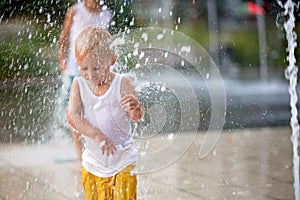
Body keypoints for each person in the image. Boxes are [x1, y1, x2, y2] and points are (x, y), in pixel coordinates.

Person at [67, 27, 144, 199]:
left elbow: (136, 117)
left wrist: (136, 108)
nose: (91, 74)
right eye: (84, 67)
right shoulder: (79, 85)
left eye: (97, 68)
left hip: (123, 161)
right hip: (93, 164)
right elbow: (72, 117)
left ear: (112, 61)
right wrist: (97, 135)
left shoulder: (122, 83)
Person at [58, 0, 112, 161]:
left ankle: (97, 147)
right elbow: (65, 36)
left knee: (98, 107)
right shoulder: (75, 11)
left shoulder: (106, 14)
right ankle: (79, 153)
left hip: (98, 70)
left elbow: (107, 42)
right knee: (76, 109)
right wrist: (62, 59)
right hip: (76, 68)